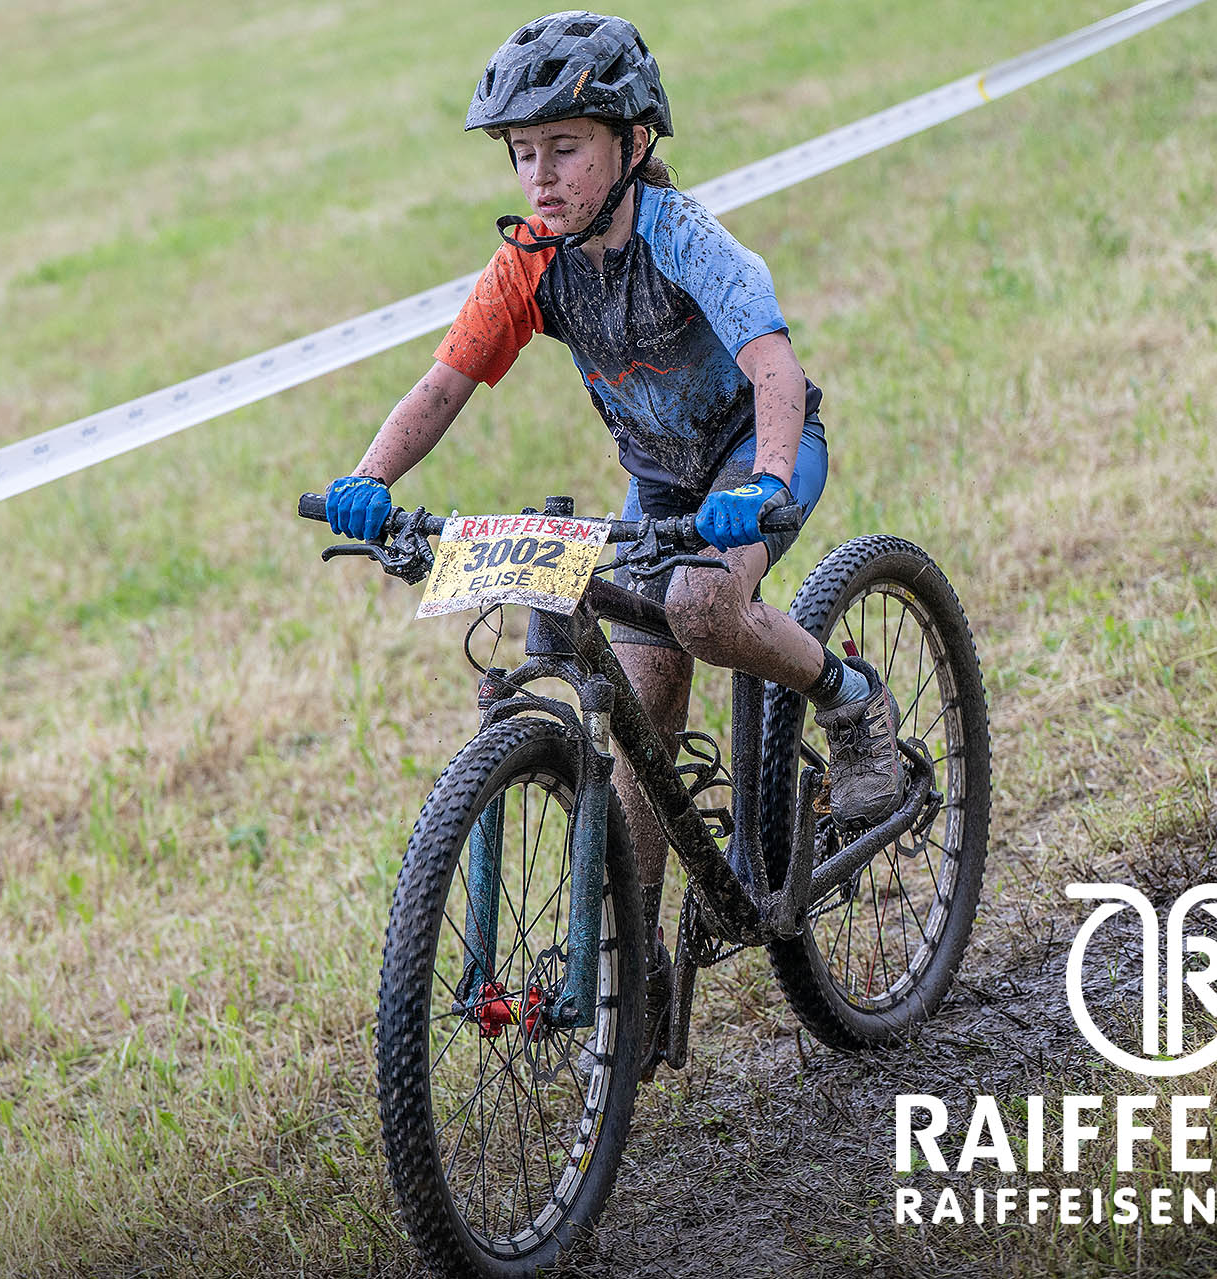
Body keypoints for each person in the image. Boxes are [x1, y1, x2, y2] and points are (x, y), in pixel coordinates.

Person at [320, 11, 905, 1076]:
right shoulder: (530, 263)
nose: (540, 177)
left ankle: (851, 698)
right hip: (660, 482)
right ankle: (632, 971)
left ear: (633, 143)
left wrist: (767, 483)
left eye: (565, 147)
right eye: (522, 153)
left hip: (753, 455)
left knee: (701, 608)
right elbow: (444, 383)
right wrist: (371, 479)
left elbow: (775, 368)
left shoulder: (684, 239)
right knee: (638, 706)